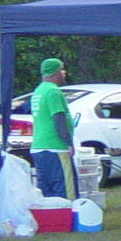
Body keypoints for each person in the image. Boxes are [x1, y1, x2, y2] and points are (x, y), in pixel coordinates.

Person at [30, 58, 75, 199]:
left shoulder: (38, 91)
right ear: (53, 72)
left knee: (46, 191)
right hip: (55, 147)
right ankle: (66, 219)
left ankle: (50, 220)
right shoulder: (53, 91)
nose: (64, 72)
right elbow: (58, 118)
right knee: (64, 190)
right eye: (61, 69)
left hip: (39, 147)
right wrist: (68, 142)